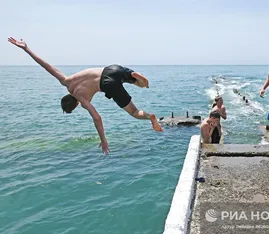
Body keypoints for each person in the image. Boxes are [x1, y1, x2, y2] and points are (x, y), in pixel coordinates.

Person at [8, 37, 163, 154]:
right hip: (110, 69)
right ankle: (137, 76)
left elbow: (97, 118)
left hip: (108, 84)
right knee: (141, 84)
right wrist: (26, 49)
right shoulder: (66, 81)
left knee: (134, 112)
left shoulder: (82, 99)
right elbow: (46, 66)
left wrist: (104, 140)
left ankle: (150, 117)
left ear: (74, 104)